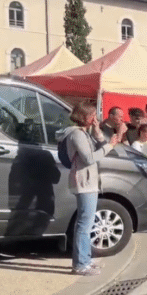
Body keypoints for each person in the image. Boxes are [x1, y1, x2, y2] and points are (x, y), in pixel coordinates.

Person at [57, 101, 121, 276]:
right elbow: (89, 158)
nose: (95, 118)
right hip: (84, 182)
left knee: (87, 223)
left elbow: (99, 145)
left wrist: (98, 132)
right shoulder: (77, 134)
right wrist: (110, 146)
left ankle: (85, 259)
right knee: (84, 224)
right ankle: (80, 264)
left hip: (89, 181)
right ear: (84, 116)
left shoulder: (85, 133)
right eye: (92, 115)